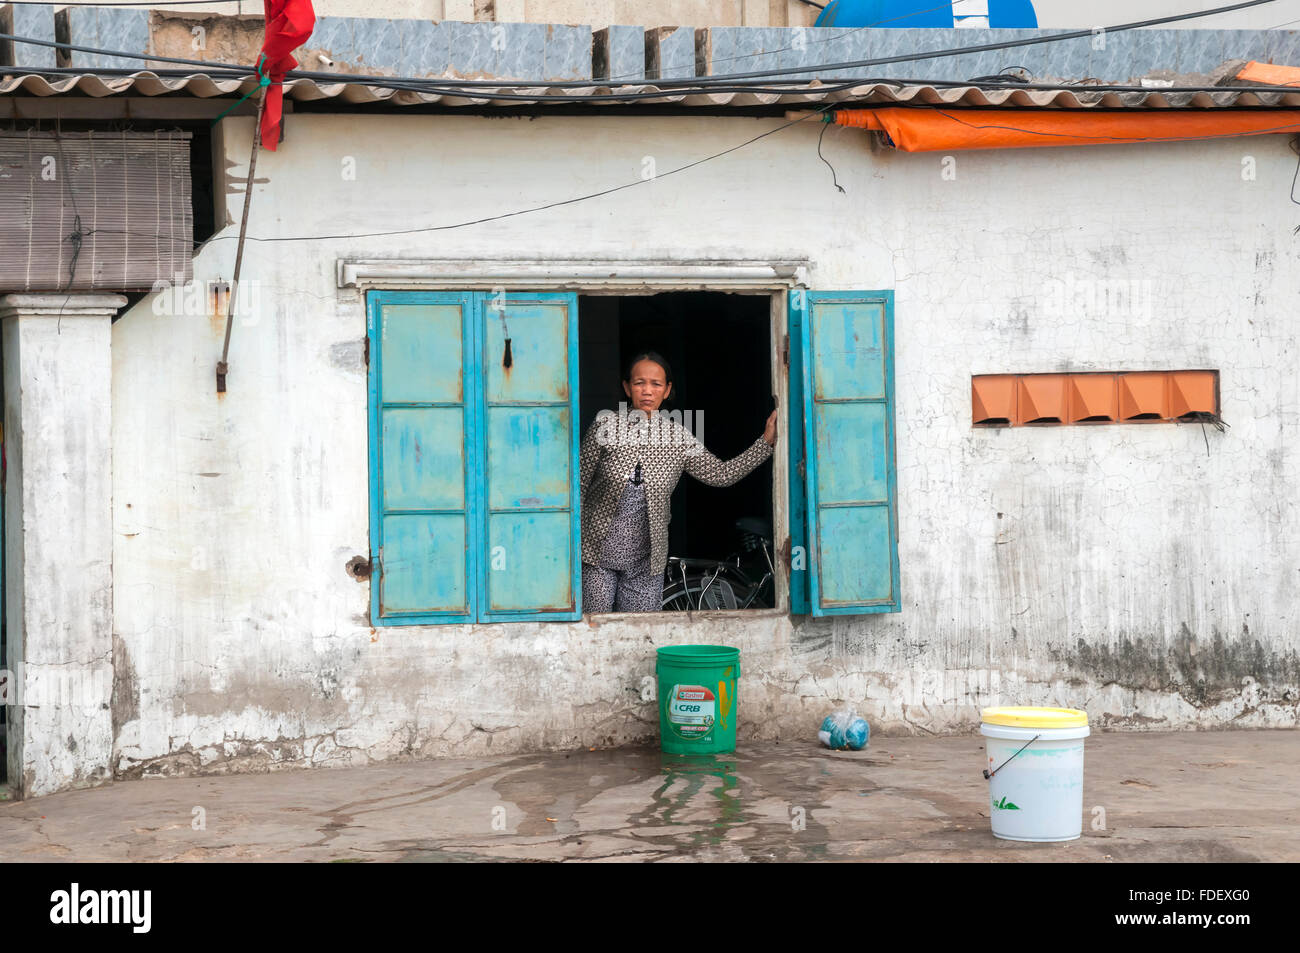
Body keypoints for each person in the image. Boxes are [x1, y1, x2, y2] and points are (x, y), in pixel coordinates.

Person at [579, 351, 777, 613]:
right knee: (596, 631)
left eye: (656, 384)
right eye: (639, 383)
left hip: (645, 563)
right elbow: (577, 484)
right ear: (627, 387)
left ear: (667, 390)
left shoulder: (677, 437)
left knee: (641, 636)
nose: (647, 391)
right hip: (596, 557)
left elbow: (721, 474)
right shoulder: (605, 425)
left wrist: (764, 444)